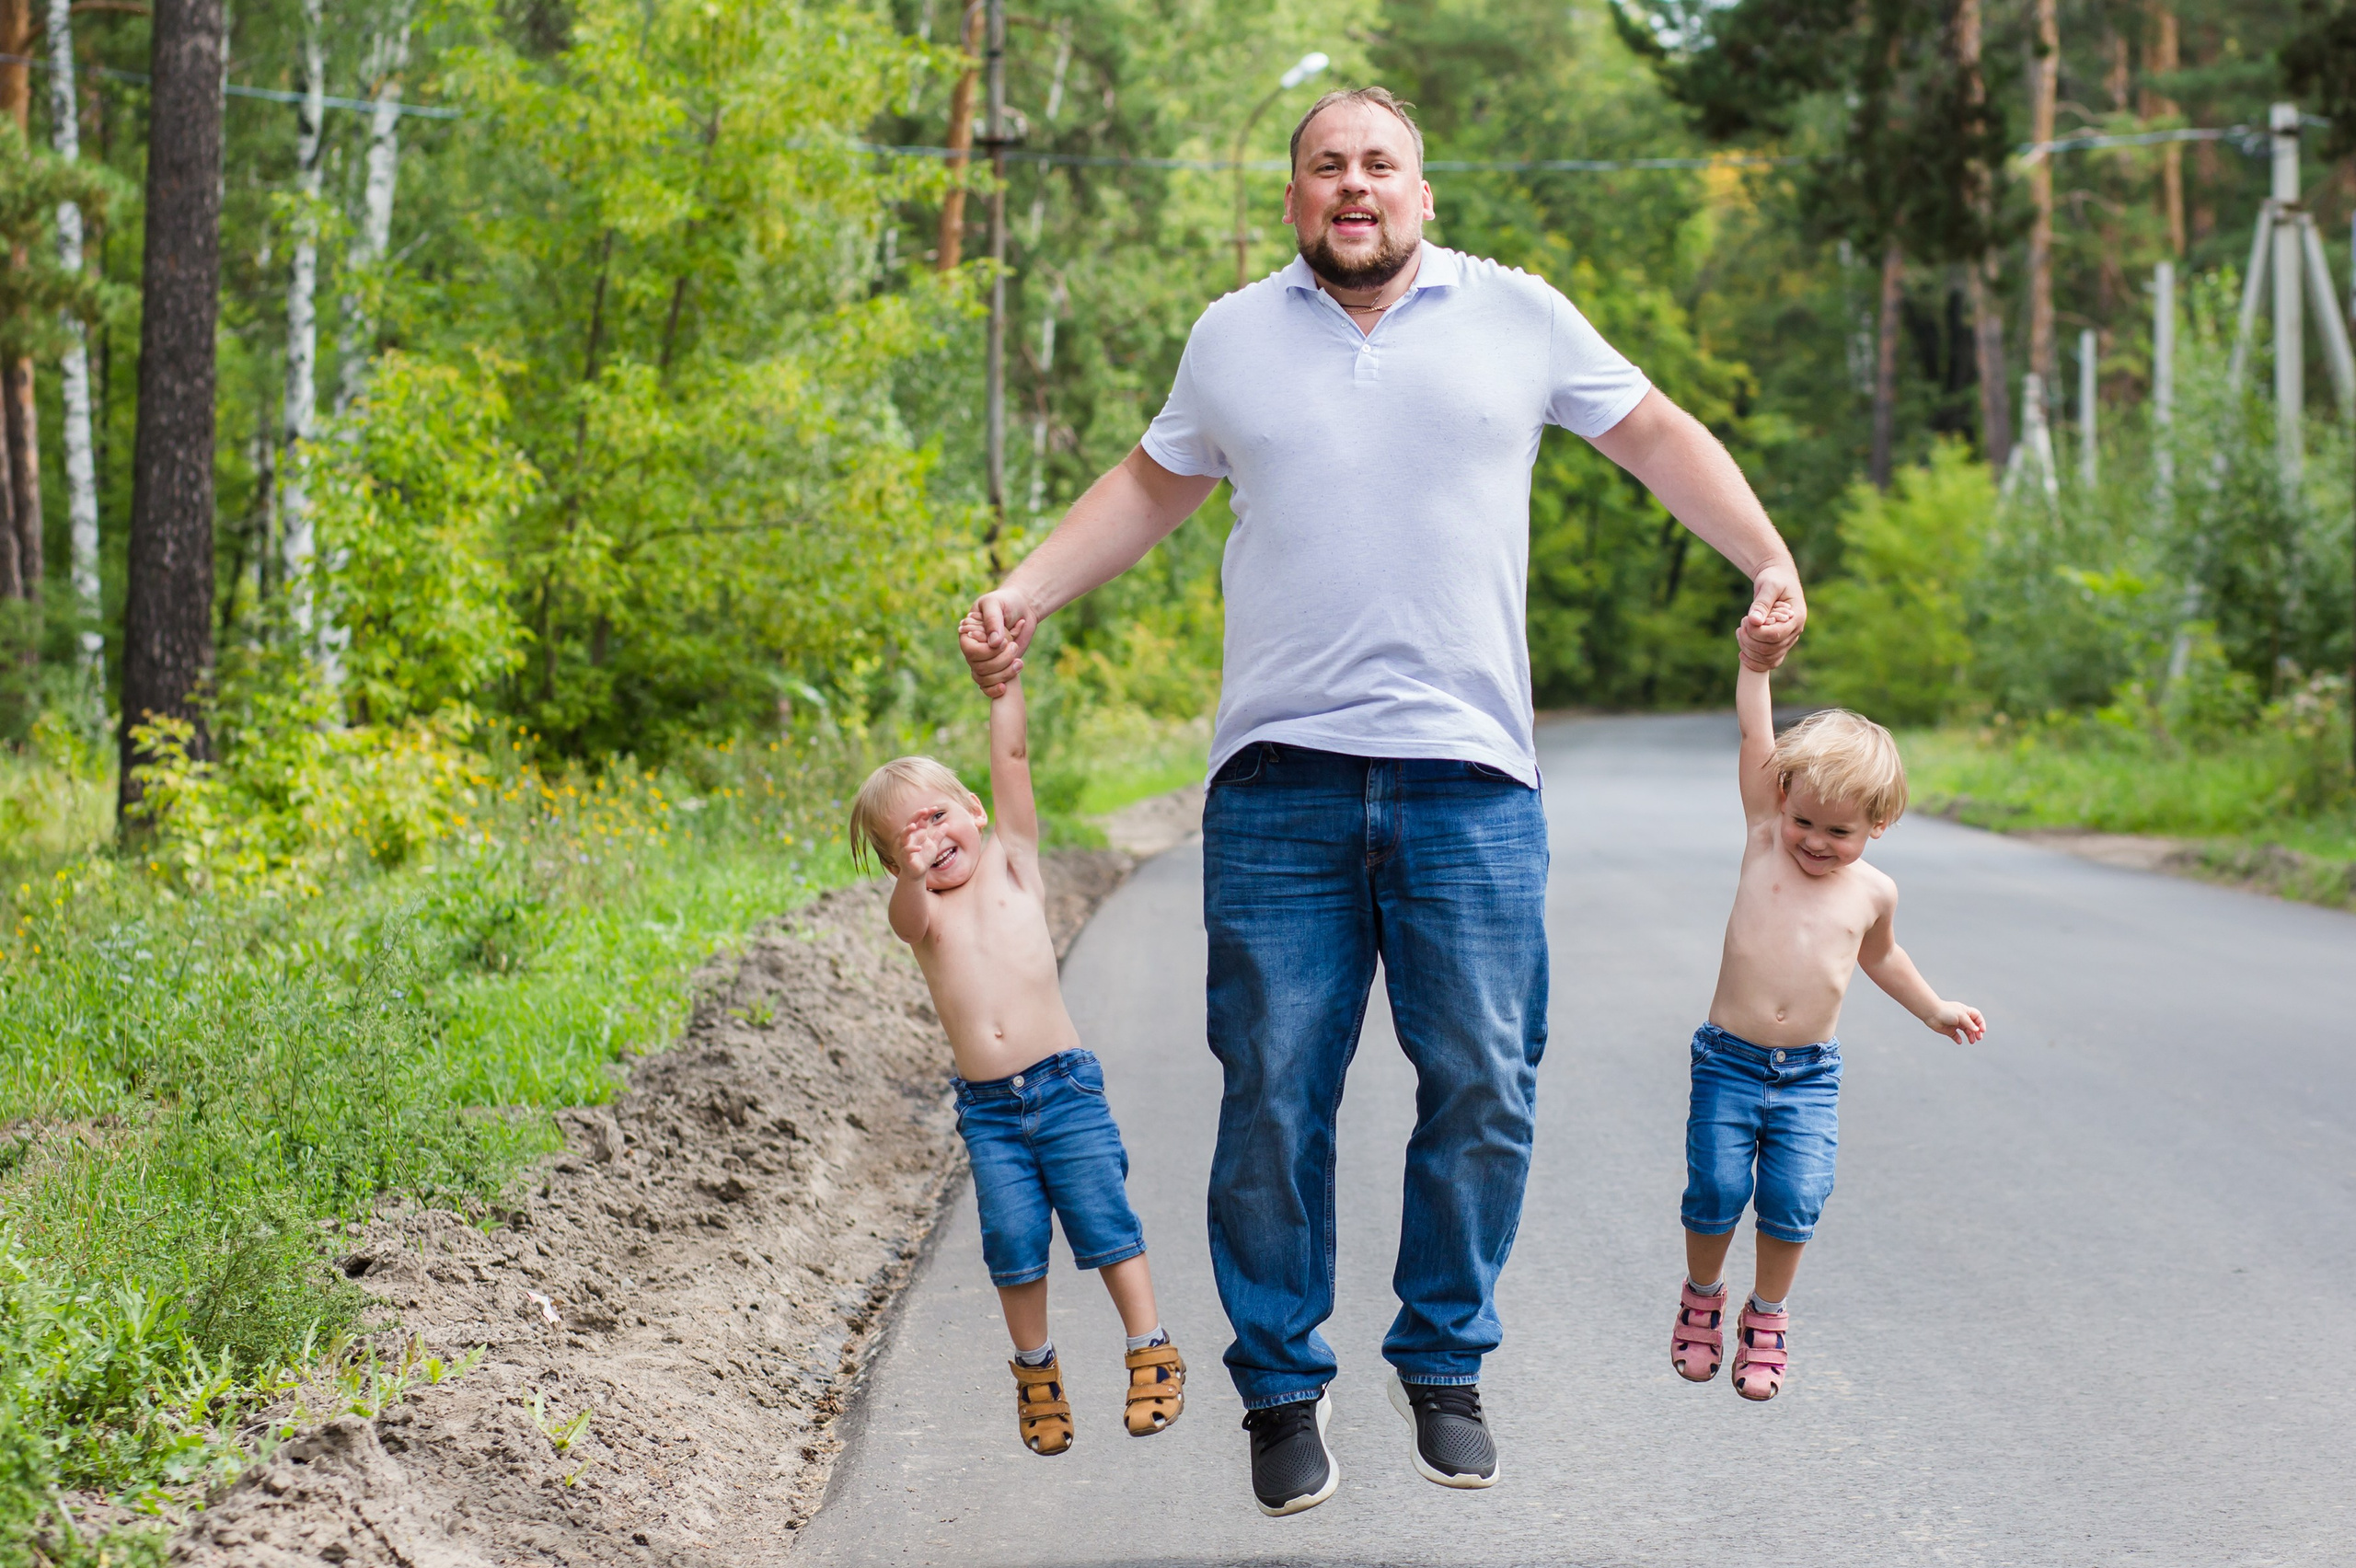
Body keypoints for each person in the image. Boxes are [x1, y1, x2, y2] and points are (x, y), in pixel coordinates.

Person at [960, 85, 1805, 1515]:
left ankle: (1442, 1362)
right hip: (1277, 783)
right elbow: (1153, 479)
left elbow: (1656, 434)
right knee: (1274, 1094)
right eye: (1326, 167)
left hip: (1471, 783)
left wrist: (1766, 555)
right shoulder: (1234, 336)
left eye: (1381, 165)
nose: (1355, 185)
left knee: (1484, 1084)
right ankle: (1283, 1390)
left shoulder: (1518, 315)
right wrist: (1025, 589)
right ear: (1296, 200)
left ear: (1424, 191)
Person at [849, 652, 1184, 1457]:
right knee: (1011, 1238)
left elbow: (1012, 763)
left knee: (1103, 1217)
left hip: (1065, 1089)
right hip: (992, 1112)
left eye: (938, 818)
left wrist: (1004, 691)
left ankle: (1149, 1348)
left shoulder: (1013, 865)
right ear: (898, 868)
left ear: (971, 810)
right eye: (907, 843)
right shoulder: (921, 917)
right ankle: (1037, 1373)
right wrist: (911, 878)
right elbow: (902, 913)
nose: (929, 843)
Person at [1669, 622, 1987, 1401]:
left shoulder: (1873, 891)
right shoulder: (1763, 838)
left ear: (1876, 826)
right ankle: (1702, 1297)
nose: (1814, 841)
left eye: (1838, 832)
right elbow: (1756, 729)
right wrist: (1755, 664)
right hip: (1729, 1060)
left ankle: (1768, 1315)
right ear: (1783, 801)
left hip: (1808, 1075)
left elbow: (1881, 957)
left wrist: (1934, 1008)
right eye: (1804, 820)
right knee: (1714, 1187)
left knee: (1795, 1197)